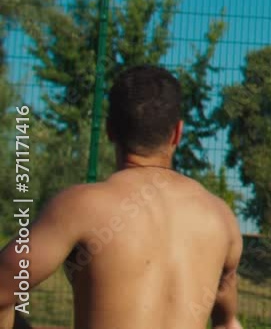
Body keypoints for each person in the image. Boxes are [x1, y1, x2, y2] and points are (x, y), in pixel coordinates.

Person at [0, 64, 244, 329]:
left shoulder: (81, 207)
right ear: (177, 133)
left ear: (109, 130)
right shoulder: (221, 218)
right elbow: (228, 324)